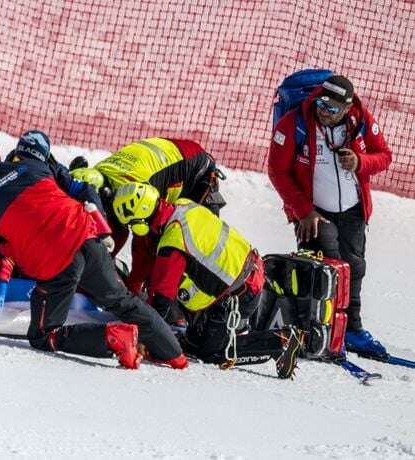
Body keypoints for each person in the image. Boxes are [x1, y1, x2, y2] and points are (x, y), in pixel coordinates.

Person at [0, 123, 187, 370]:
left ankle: (113, 337)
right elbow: (80, 188)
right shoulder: (34, 166)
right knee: (122, 300)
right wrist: (100, 221)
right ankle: (174, 355)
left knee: (42, 335)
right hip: (88, 239)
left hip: (59, 263)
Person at [111, 182, 304, 378]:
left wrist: (143, 337)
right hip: (248, 272)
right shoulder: (183, 205)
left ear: (141, 222)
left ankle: (279, 341)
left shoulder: (172, 243)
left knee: (211, 353)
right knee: (191, 345)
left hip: (240, 293)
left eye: (133, 225)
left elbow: (162, 300)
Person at [268, 74, 393, 357]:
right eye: (322, 104)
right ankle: (313, 332)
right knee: (322, 271)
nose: (324, 111)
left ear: (347, 108)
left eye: (333, 108)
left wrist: (361, 162)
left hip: (352, 210)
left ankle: (352, 330)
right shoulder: (294, 123)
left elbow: (384, 155)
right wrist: (303, 211)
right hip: (314, 213)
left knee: (353, 269)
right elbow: (277, 171)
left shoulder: (360, 122)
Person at [69, 137, 226, 254]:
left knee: (175, 241)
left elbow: (131, 235)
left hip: (197, 170)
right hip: (170, 153)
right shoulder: (99, 173)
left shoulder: (137, 188)